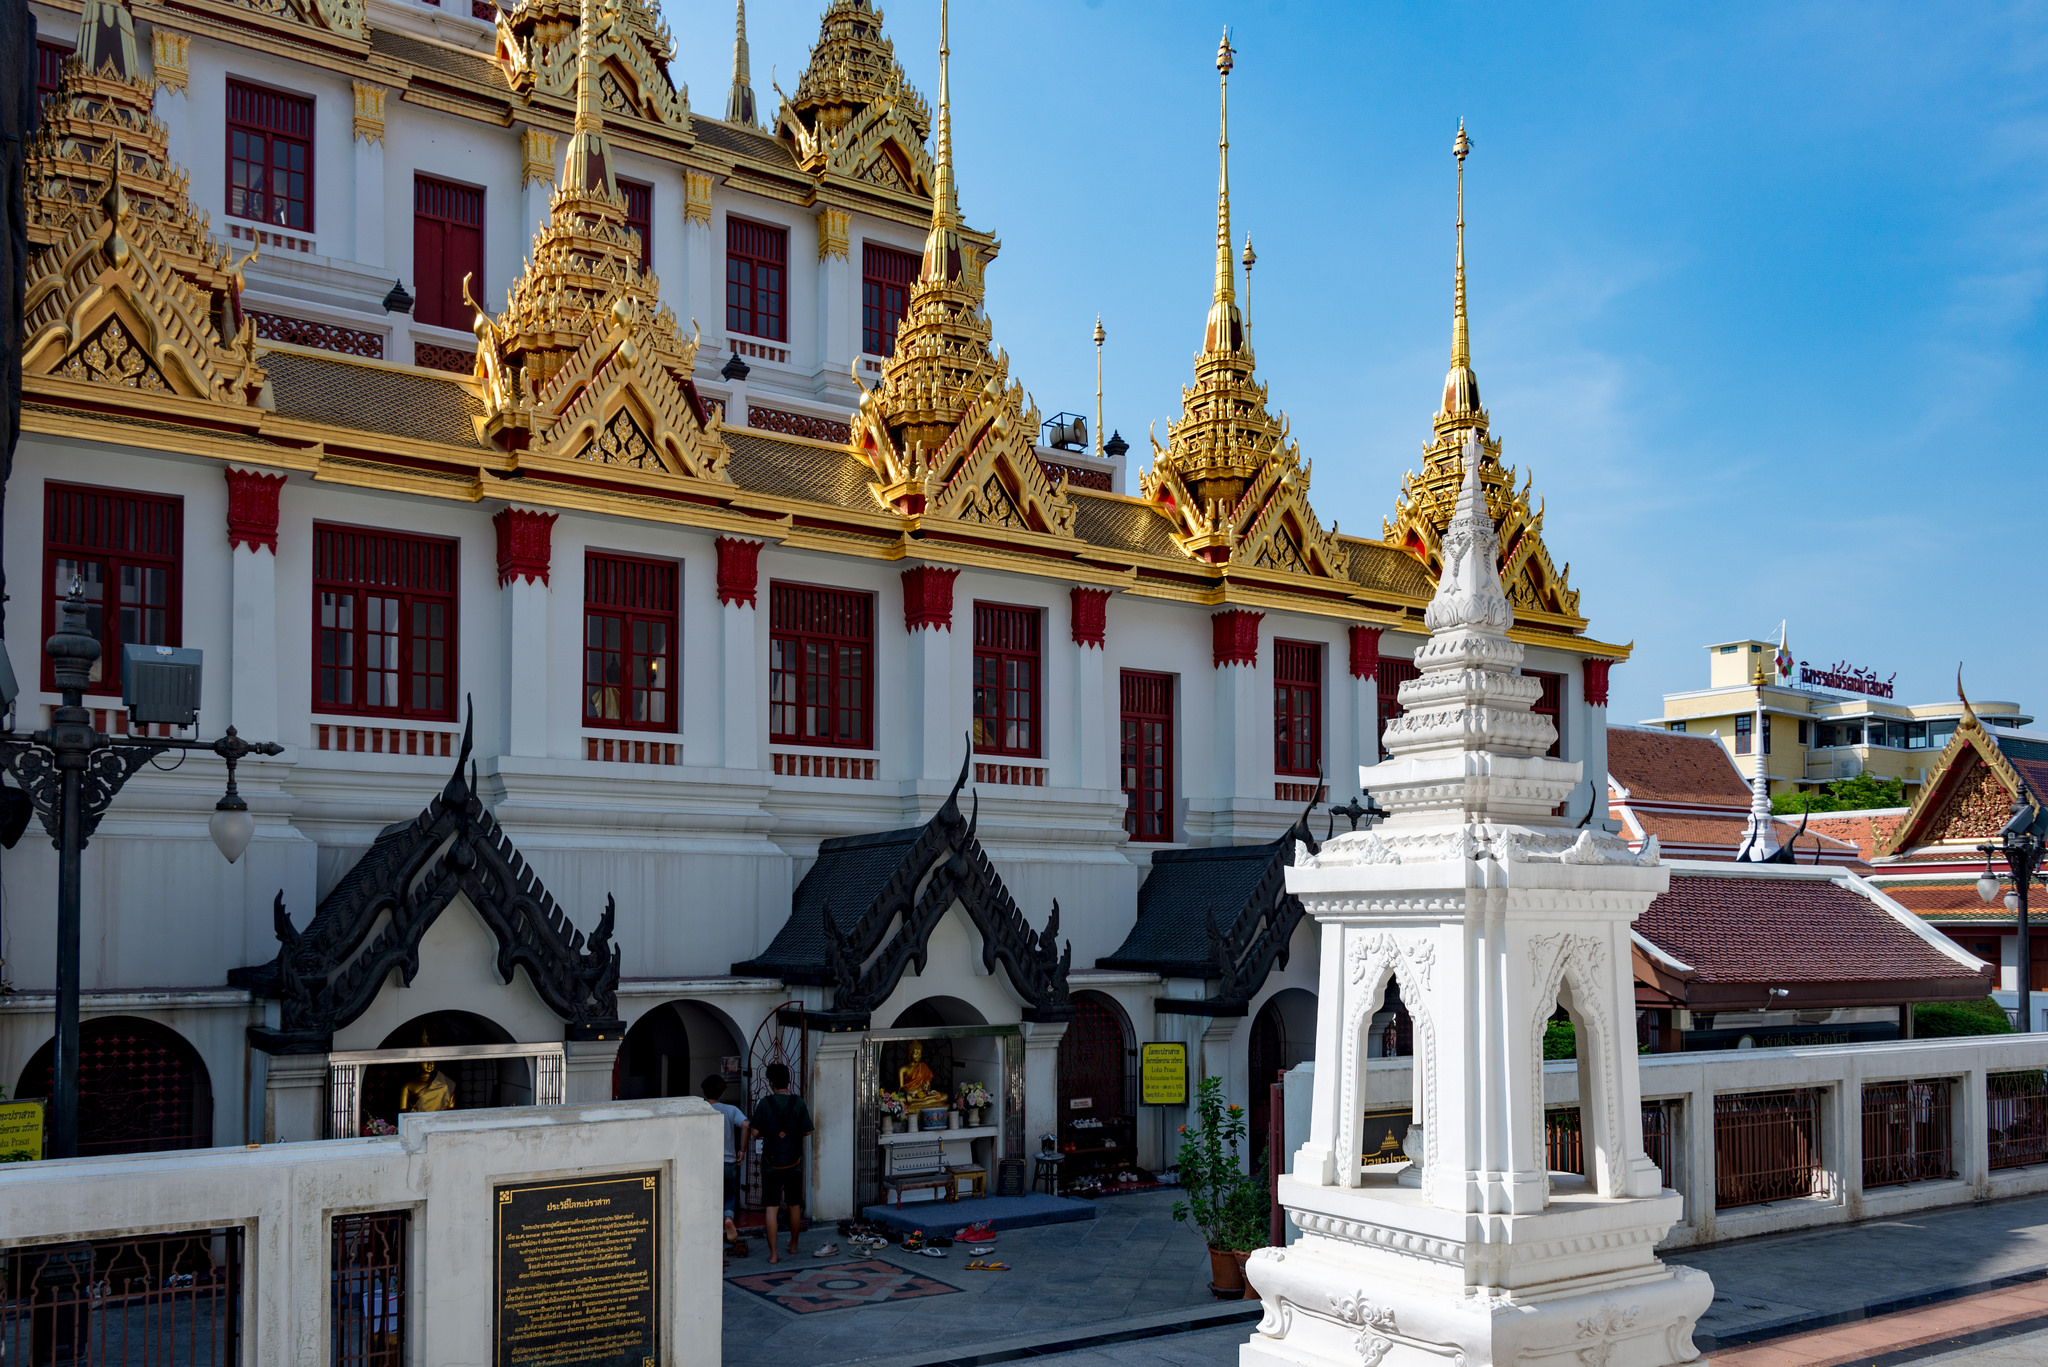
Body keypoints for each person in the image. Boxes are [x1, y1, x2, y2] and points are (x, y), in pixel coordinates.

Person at [745, 1062, 812, 1264]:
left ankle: (773, 1254)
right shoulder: (798, 1102)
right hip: (794, 1163)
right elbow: (807, 1130)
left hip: (770, 1164)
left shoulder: (765, 1104)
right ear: (788, 1081)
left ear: (771, 1082)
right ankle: (793, 1245)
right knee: (794, 1205)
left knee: (771, 1208)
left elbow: (755, 1133)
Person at [702, 1075, 748, 1253]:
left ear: (704, 1092)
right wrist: (742, 1150)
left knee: (708, 1197)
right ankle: (728, 1219)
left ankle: (710, 1232)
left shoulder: (701, 1109)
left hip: (707, 1163)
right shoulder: (731, 1110)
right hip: (728, 1161)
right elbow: (745, 1125)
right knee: (729, 1195)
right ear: (722, 1093)